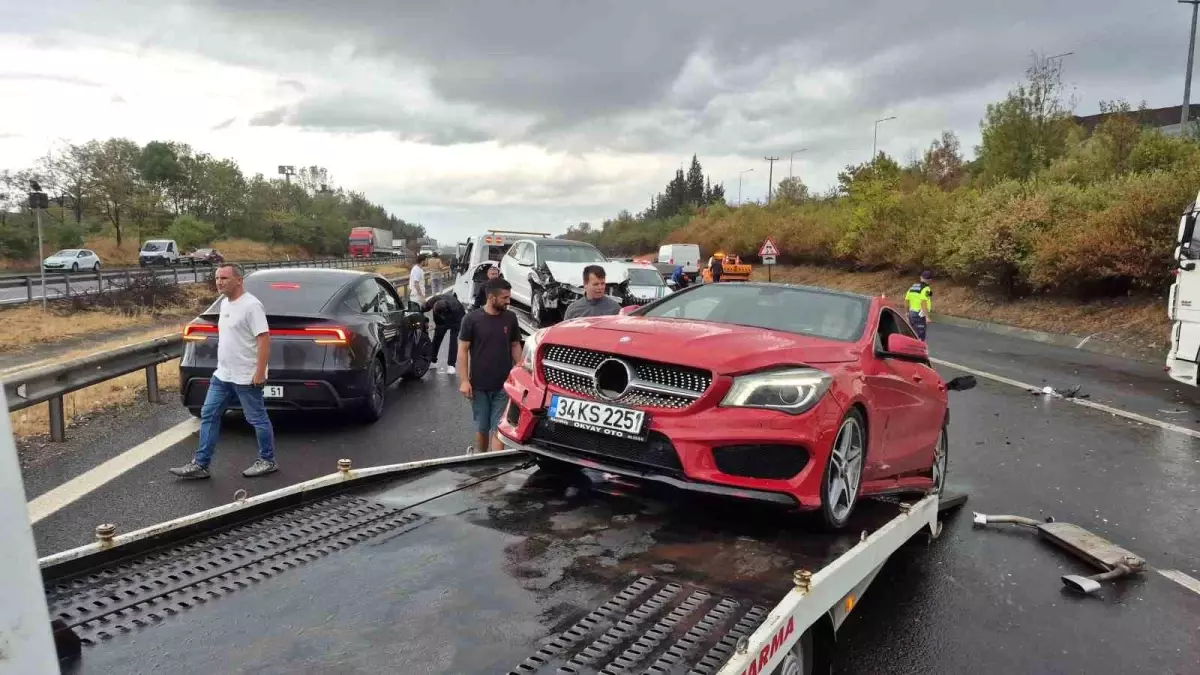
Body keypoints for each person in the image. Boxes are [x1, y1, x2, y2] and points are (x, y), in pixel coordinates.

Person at [170, 263, 277, 479]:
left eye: (224, 278)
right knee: (209, 415)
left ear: (239, 280)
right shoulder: (225, 304)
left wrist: (260, 372)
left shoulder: (251, 306)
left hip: (246, 376)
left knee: (256, 418)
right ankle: (201, 465)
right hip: (223, 375)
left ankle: (267, 460)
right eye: (217, 278)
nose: (219, 282)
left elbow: (264, 339)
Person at [457, 278, 522, 453]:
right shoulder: (471, 319)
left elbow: (515, 345)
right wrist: (464, 381)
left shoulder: (510, 318)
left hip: (503, 385)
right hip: (479, 385)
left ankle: (495, 465)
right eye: (505, 298)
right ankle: (482, 458)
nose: (508, 301)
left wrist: (522, 373)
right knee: (482, 427)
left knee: (499, 428)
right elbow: (463, 350)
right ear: (491, 297)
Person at [430, 291, 466, 375]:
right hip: (440, 322)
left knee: (453, 340)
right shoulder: (432, 301)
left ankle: (451, 365)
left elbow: (463, 317)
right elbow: (423, 308)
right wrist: (426, 322)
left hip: (456, 320)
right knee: (437, 338)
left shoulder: (456, 308)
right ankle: (432, 360)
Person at [904, 270, 934, 341]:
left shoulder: (912, 287)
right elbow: (923, 302)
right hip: (919, 314)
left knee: (912, 334)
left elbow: (906, 300)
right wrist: (927, 317)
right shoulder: (926, 289)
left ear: (920, 277)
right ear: (930, 280)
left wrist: (906, 312)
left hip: (911, 313)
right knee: (920, 335)